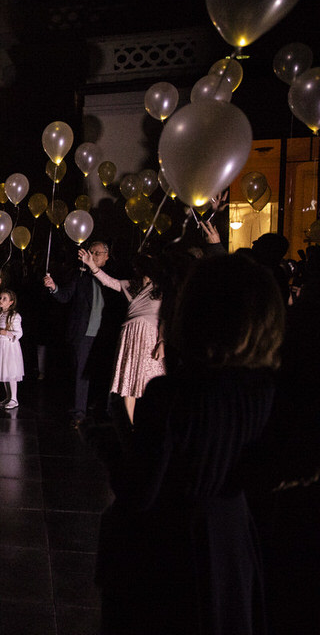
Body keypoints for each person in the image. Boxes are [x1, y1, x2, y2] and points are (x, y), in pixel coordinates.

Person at [94, 253, 283, 635]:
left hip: (171, 545)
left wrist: (109, 447)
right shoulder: (268, 394)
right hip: (233, 537)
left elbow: (139, 491)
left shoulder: (171, 395)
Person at [80, 251, 165, 423]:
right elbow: (109, 281)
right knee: (129, 380)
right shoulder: (131, 285)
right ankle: (131, 426)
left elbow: (165, 318)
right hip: (130, 334)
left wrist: (162, 341)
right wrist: (92, 265)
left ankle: (153, 423)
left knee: (149, 378)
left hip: (149, 335)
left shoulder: (161, 289)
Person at [44, 240, 114, 423]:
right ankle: (79, 412)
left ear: (106, 256)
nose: (91, 256)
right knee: (81, 373)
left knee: (104, 372)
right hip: (83, 333)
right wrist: (53, 287)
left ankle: (101, 409)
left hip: (105, 334)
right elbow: (65, 295)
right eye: (90, 252)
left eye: (97, 253)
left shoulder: (113, 277)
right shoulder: (80, 276)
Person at [0, 289, 24, 409]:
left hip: (9, 347)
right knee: (4, 372)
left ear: (11, 302)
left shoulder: (14, 315)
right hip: (0, 346)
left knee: (11, 372)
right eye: (0, 298)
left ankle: (14, 398)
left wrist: (7, 333)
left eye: (4, 298)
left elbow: (19, 333)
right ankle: (8, 396)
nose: (1, 300)